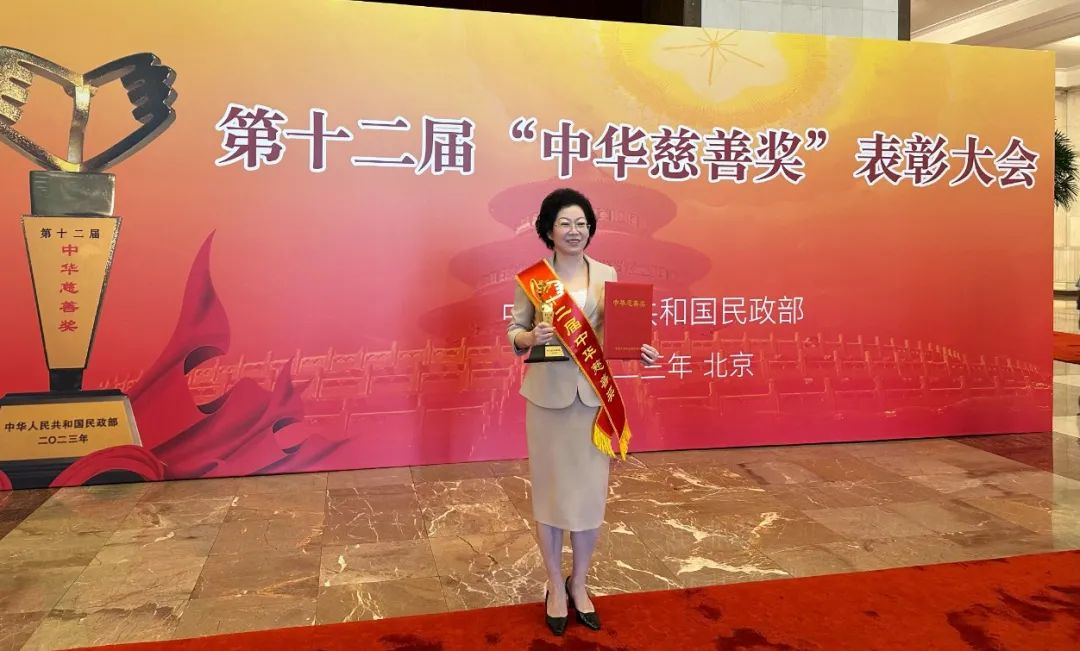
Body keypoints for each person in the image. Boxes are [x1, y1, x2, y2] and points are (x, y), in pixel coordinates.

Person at [507, 188, 659, 636]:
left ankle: (580, 582)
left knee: (590, 497)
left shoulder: (607, 273)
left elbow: (617, 332)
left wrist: (641, 349)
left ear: (590, 228)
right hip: (547, 400)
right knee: (551, 494)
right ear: (548, 229)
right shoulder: (533, 278)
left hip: (592, 400)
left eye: (582, 223)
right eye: (565, 223)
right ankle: (555, 584)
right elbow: (515, 330)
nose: (574, 231)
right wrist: (529, 338)